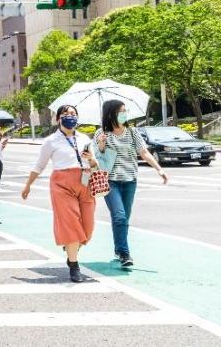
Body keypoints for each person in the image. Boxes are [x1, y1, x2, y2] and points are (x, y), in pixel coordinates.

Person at [22, 105, 99, 283]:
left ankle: (71, 248)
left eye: (73, 114)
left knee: (87, 229)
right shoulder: (51, 141)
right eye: (65, 114)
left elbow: (95, 165)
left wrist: (91, 159)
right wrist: (28, 185)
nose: (70, 117)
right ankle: (74, 266)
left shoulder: (84, 138)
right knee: (71, 224)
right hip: (62, 184)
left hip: (85, 181)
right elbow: (39, 166)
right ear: (58, 119)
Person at [94, 100, 169, 268]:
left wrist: (159, 169)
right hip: (110, 181)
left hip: (130, 181)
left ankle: (118, 248)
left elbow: (143, 152)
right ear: (111, 113)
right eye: (121, 111)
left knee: (123, 219)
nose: (124, 113)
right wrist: (101, 145)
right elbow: (96, 159)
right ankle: (124, 253)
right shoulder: (101, 133)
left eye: (125, 111)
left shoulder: (132, 132)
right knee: (119, 216)